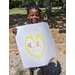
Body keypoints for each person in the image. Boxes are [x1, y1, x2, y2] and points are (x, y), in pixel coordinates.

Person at [12, 5, 52, 75]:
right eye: (32, 15)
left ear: (40, 16)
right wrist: (16, 31)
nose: (34, 17)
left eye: (37, 15)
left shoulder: (43, 27)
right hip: (30, 52)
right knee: (31, 66)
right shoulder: (25, 29)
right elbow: (21, 37)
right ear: (28, 16)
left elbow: (47, 38)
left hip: (41, 52)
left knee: (42, 65)